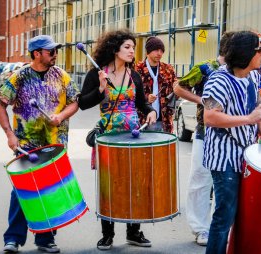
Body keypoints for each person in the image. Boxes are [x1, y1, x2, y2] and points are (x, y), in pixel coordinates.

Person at [0, 35, 80, 253]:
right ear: (37, 53)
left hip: (54, 144)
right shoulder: (19, 77)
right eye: (51, 51)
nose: (55, 55)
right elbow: (0, 106)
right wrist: (9, 134)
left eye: (55, 51)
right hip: (26, 142)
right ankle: (13, 238)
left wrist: (60, 116)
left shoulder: (61, 75)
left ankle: (46, 239)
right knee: (22, 191)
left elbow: (75, 103)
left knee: (49, 191)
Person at [77, 29, 157, 251]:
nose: (133, 51)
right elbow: (83, 103)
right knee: (109, 187)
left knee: (135, 184)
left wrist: (151, 111)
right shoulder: (97, 74)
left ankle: (134, 232)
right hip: (108, 137)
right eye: (127, 47)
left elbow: (142, 103)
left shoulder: (135, 76)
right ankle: (107, 234)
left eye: (133, 47)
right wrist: (101, 89)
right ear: (115, 49)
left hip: (132, 136)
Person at [202, 30, 261, 254]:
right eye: (259, 49)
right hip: (223, 157)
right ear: (247, 53)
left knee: (248, 212)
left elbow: (258, 108)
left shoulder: (253, 76)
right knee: (225, 214)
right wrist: (248, 119)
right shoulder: (218, 79)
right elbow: (210, 117)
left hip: (247, 154)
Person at [173, 31, 234, 246]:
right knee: (200, 179)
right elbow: (178, 86)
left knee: (226, 184)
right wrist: (202, 100)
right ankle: (200, 228)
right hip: (204, 132)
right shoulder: (205, 68)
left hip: (231, 136)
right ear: (228, 49)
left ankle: (222, 228)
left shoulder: (240, 71)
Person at [135, 36, 177, 132]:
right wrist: (146, 99)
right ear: (148, 51)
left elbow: (176, 89)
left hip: (164, 120)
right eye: (156, 50)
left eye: (161, 51)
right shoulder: (137, 69)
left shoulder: (168, 69)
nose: (159, 53)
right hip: (142, 120)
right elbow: (130, 94)